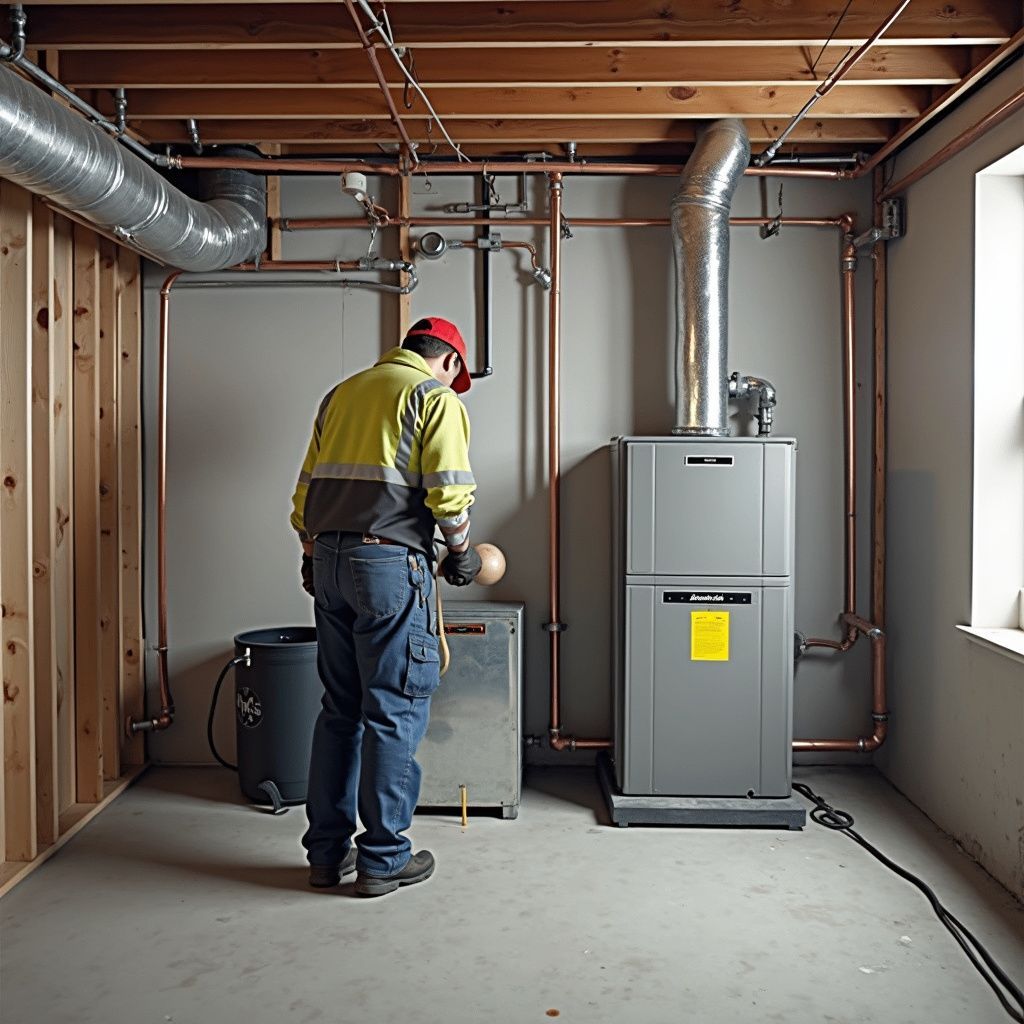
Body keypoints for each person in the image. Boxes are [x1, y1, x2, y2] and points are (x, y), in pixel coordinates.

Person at [290, 317, 482, 897]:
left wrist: (311, 552)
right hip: (389, 566)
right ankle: (383, 859)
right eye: (456, 374)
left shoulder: (341, 395)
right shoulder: (432, 397)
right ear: (448, 361)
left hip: (327, 558)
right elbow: (448, 489)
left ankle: (326, 855)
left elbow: (306, 493)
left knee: (339, 710)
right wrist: (462, 551)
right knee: (393, 710)